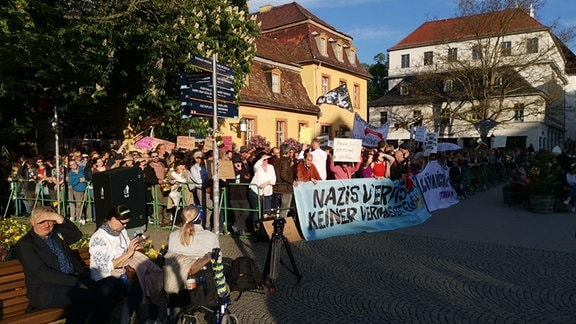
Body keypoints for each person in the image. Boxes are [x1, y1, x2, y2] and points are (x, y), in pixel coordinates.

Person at [15, 206, 115, 323]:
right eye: (42, 221)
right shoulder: (25, 244)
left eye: (50, 220)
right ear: (32, 222)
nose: (46, 225)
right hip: (47, 289)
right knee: (84, 298)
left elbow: (76, 235)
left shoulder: (56, 234)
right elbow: (42, 273)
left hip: (73, 278)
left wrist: (58, 217)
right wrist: (76, 283)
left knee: (109, 288)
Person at [90, 205, 165, 324]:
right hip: (105, 276)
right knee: (136, 288)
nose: (125, 226)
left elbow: (125, 248)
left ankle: (151, 317)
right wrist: (129, 253)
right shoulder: (99, 238)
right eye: (123, 223)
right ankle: (137, 319)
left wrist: (134, 247)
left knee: (153, 276)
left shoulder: (121, 231)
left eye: (127, 223)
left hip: (125, 269)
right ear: (113, 219)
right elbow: (106, 267)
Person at [189, 150, 214, 230]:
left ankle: (207, 223)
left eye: (202, 158)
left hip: (209, 187)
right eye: (198, 158)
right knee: (203, 206)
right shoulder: (193, 168)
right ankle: (202, 224)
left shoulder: (205, 166)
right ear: (195, 159)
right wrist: (206, 183)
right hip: (201, 188)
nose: (200, 159)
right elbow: (198, 180)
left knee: (210, 206)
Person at [249, 152, 276, 224]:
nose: (266, 161)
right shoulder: (258, 168)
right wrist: (262, 158)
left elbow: (273, 180)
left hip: (267, 192)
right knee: (257, 210)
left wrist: (265, 183)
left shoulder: (271, 167)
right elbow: (255, 166)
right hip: (256, 191)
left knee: (267, 211)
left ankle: (267, 227)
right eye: (264, 159)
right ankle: (256, 226)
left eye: (267, 159)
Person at [273, 143, 295, 218]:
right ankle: (281, 227)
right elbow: (284, 175)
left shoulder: (277, 161)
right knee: (284, 211)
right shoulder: (285, 161)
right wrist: (292, 181)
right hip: (285, 188)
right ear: (288, 152)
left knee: (278, 211)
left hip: (277, 188)